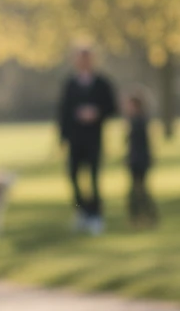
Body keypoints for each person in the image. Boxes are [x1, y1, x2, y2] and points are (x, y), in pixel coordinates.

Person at [57, 44, 117, 234]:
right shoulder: (70, 83)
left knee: (93, 178)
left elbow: (112, 108)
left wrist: (96, 113)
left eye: (86, 58)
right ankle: (81, 212)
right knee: (73, 176)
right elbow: (63, 111)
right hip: (75, 139)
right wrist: (63, 137)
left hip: (94, 138)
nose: (83, 61)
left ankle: (96, 216)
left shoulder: (102, 83)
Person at [124, 91, 157, 227]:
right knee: (138, 190)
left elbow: (142, 145)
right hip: (136, 160)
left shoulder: (139, 122)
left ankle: (143, 216)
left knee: (139, 191)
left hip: (139, 161)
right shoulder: (136, 121)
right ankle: (141, 217)